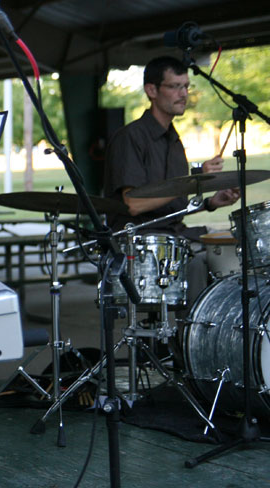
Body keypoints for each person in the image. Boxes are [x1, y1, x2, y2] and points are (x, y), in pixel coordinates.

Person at [103, 56, 240, 315]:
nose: (184, 94)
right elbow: (133, 204)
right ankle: (189, 341)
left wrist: (211, 203)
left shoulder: (174, 142)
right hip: (139, 242)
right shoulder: (131, 137)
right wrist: (190, 184)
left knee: (237, 244)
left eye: (187, 86)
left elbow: (172, 205)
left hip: (174, 235)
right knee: (199, 265)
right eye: (175, 86)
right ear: (151, 90)